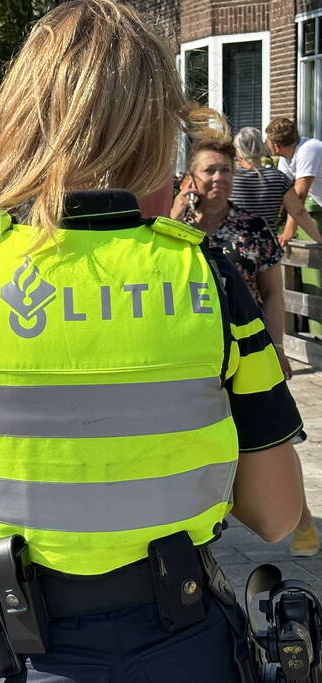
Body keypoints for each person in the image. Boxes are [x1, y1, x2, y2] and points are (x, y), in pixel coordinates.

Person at [0, 2, 305, 681]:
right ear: (152, 129)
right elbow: (278, 514)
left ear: (19, 119)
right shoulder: (207, 275)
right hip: (181, 645)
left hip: (18, 647)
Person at [172, 131, 319, 557]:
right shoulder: (174, 230)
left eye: (225, 170)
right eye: (209, 170)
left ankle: (303, 524)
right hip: (194, 355)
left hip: (248, 353)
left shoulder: (252, 228)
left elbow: (272, 294)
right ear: (191, 177)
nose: (218, 177)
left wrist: (278, 348)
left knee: (271, 438)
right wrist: (176, 210)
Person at [231, 126, 322, 242]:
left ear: (238, 152)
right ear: (262, 148)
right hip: (267, 247)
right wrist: (320, 241)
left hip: (234, 246)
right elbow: (299, 212)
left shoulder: (229, 178)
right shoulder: (279, 178)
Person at [266, 118, 322, 246]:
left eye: (267, 141)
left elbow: (298, 196)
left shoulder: (308, 149)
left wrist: (288, 231)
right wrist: (268, 226)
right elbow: (280, 194)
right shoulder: (286, 158)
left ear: (276, 146)